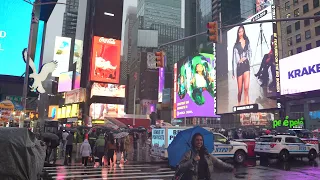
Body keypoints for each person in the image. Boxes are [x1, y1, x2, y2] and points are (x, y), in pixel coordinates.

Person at [232, 25, 252, 106]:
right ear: (238, 33)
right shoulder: (236, 45)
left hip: (246, 66)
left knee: (246, 88)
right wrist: (233, 72)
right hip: (239, 68)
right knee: (240, 90)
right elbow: (233, 59)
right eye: (239, 31)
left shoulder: (247, 41)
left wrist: (246, 58)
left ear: (244, 32)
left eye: (242, 31)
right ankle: (239, 104)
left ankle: (247, 105)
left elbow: (250, 51)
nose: (241, 33)